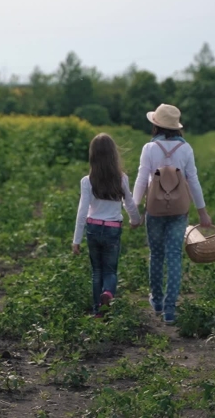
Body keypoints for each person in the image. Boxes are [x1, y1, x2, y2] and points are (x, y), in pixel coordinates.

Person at [133, 103, 212, 325]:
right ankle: (170, 310)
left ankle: (156, 301)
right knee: (175, 255)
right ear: (177, 127)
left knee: (156, 255)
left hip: (154, 209)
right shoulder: (186, 149)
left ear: (156, 125)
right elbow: (193, 180)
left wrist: (135, 209)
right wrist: (202, 212)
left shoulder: (149, 149)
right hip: (179, 210)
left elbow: (141, 179)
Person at [72, 133, 142, 317]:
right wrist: (136, 220)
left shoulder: (87, 181)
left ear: (92, 155)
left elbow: (82, 211)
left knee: (97, 271)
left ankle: (97, 312)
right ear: (113, 155)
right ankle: (108, 293)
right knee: (110, 270)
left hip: (93, 228)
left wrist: (76, 240)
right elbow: (129, 202)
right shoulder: (121, 178)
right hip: (113, 228)